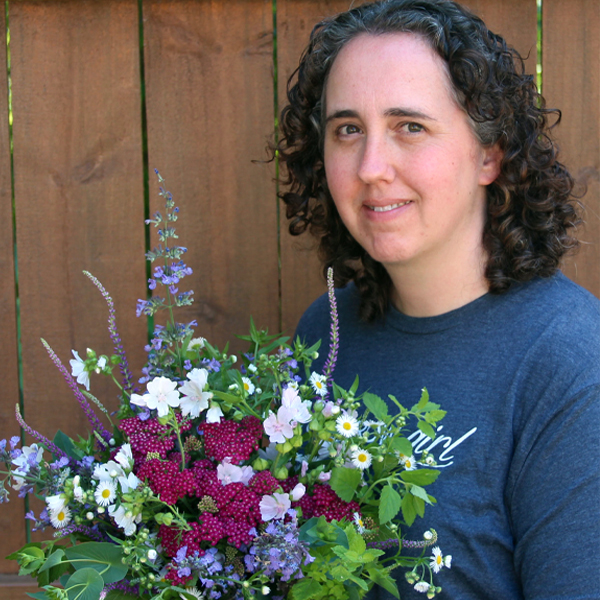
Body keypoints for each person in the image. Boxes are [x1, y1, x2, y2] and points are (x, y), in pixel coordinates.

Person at [275, 1, 600, 598]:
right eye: (348, 129)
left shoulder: (573, 363)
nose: (371, 167)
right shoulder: (325, 332)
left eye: (410, 127)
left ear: (489, 152)